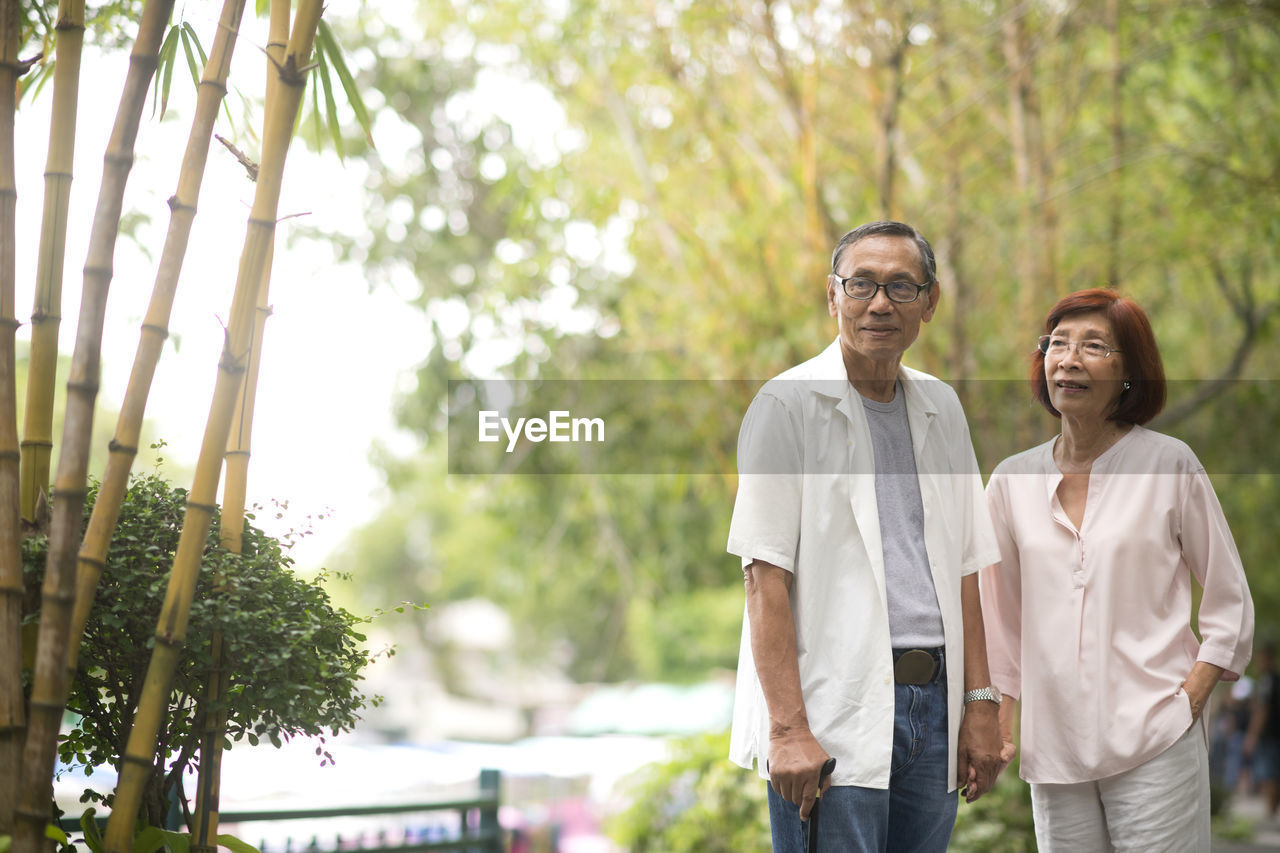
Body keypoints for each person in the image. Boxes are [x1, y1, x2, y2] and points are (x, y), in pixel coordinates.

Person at [727, 220, 1004, 852]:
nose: (880, 303)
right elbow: (764, 577)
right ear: (834, 295)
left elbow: (967, 568)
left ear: (929, 302)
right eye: (862, 284)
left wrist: (980, 705)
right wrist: (789, 729)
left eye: (901, 287)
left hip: (934, 711)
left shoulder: (943, 407)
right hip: (833, 709)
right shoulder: (787, 406)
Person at [980, 288, 1255, 852]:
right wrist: (998, 720)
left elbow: (1229, 596)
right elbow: (998, 620)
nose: (1069, 358)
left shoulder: (1169, 463)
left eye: (1094, 346)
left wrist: (1193, 696)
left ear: (1130, 370)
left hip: (1156, 733)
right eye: (1057, 344)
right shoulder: (1011, 481)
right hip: (1054, 748)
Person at [1244, 639, 1280, 820]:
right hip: (1274, 734)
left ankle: (1271, 813)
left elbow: (1263, 710)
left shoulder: (1267, 680)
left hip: (1269, 735)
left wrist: (1252, 736)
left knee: (1269, 773)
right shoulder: (1275, 678)